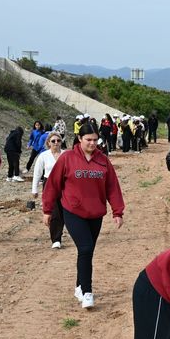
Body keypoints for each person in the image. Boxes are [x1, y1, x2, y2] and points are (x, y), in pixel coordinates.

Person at [42, 124, 124, 309]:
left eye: (95, 140)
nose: (92, 143)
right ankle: (87, 292)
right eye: (88, 139)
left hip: (95, 212)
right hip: (72, 211)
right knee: (86, 248)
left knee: (87, 251)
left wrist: (117, 211)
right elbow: (53, 185)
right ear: (79, 139)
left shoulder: (103, 160)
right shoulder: (67, 158)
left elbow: (112, 187)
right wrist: (47, 210)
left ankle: (79, 286)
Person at [31, 132, 65, 249]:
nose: (56, 143)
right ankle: (56, 239)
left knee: (65, 210)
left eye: (58, 141)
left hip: (65, 185)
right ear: (48, 143)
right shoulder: (43, 156)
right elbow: (37, 173)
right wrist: (34, 189)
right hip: (49, 184)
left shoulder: (66, 154)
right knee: (54, 211)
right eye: (53, 141)